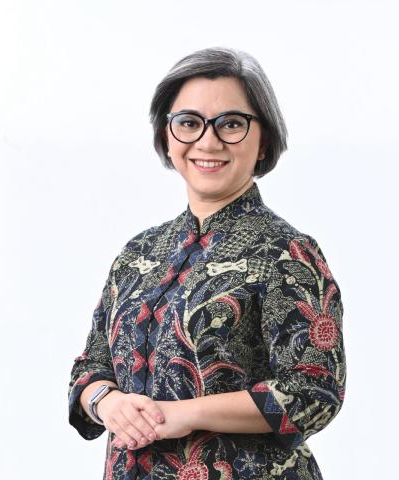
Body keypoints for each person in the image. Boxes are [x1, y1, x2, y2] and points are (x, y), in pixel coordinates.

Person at [68, 46, 346, 480]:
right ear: (166, 135)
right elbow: (90, 367)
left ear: (264, 140)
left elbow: (313, 391)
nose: (208, 141)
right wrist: (108, 402)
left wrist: (184, 414)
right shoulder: (139, 253)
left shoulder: (287, 252)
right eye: (189, 123)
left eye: (231, 124)